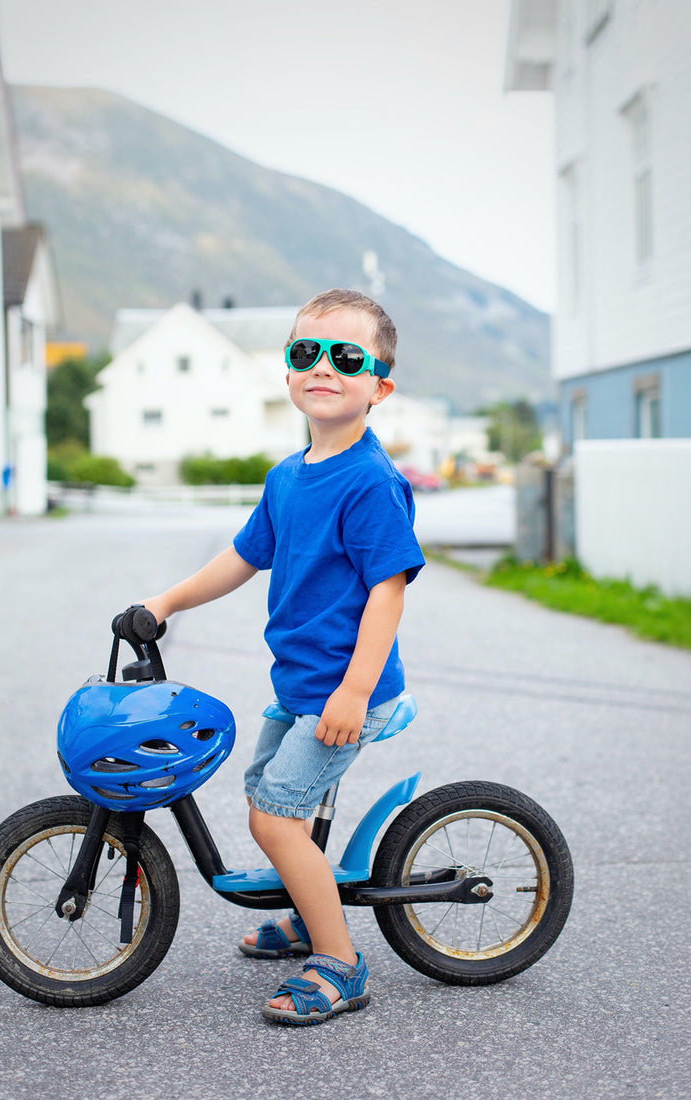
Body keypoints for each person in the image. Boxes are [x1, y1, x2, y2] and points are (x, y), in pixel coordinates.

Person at [142, 288, 424, 1025]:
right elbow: (241, 559)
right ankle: (310, 907)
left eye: (346, 356)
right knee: (270, 803)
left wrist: (355, 693)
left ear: (378, 386)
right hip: (302, 686)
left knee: (273, 819)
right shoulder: (287, 476)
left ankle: (339, 964)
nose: (323, 366)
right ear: (288, 370)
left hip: (347, 694)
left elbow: (388, 595)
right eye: (306, 352)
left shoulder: (371, 482)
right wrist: (164, 603)